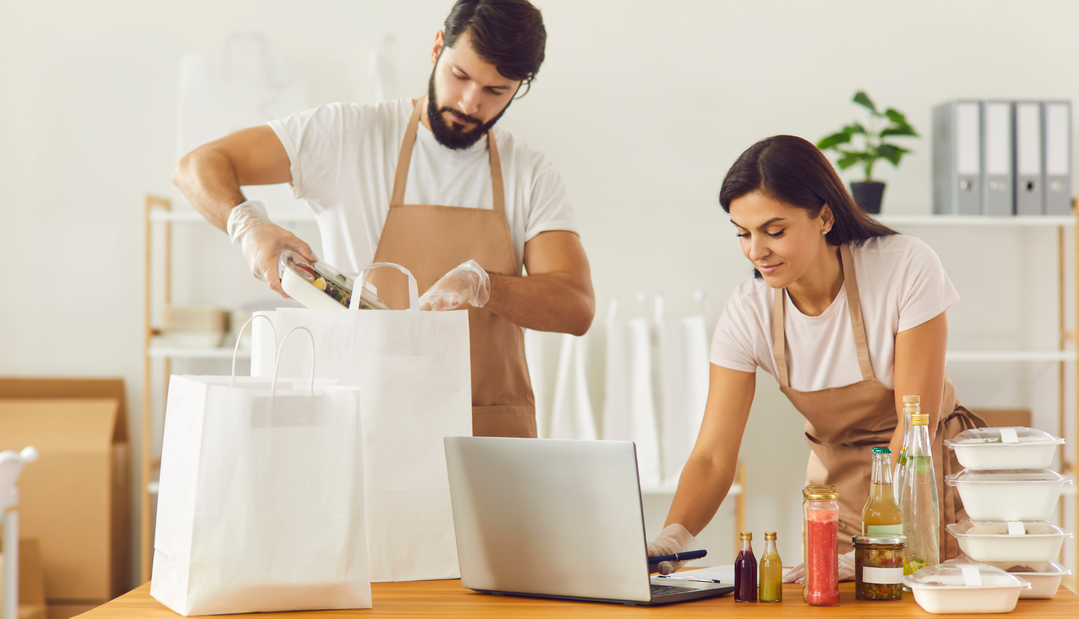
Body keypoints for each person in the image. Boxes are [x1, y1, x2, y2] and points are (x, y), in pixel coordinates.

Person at [173, 0, 595, 439]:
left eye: (497, 90)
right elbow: (197, 165)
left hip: (484, 436)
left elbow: (576, 306)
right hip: (365, 431)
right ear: (437, 47)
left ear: (520, 86)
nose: (471, 103)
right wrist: (248, 226)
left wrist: (484, 285)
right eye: (460, 76)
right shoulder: (348, 136)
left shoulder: (529, 174)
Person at [646, 135, 983, 577]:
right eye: (743, 234)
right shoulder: (749, 313)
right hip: (834, 495)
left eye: (774, 230)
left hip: (923, 476)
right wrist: (672, 539)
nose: (755, 251)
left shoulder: (903, 267)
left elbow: (912, 424)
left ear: (824, 216)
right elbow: (712, 454)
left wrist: (876, 542)